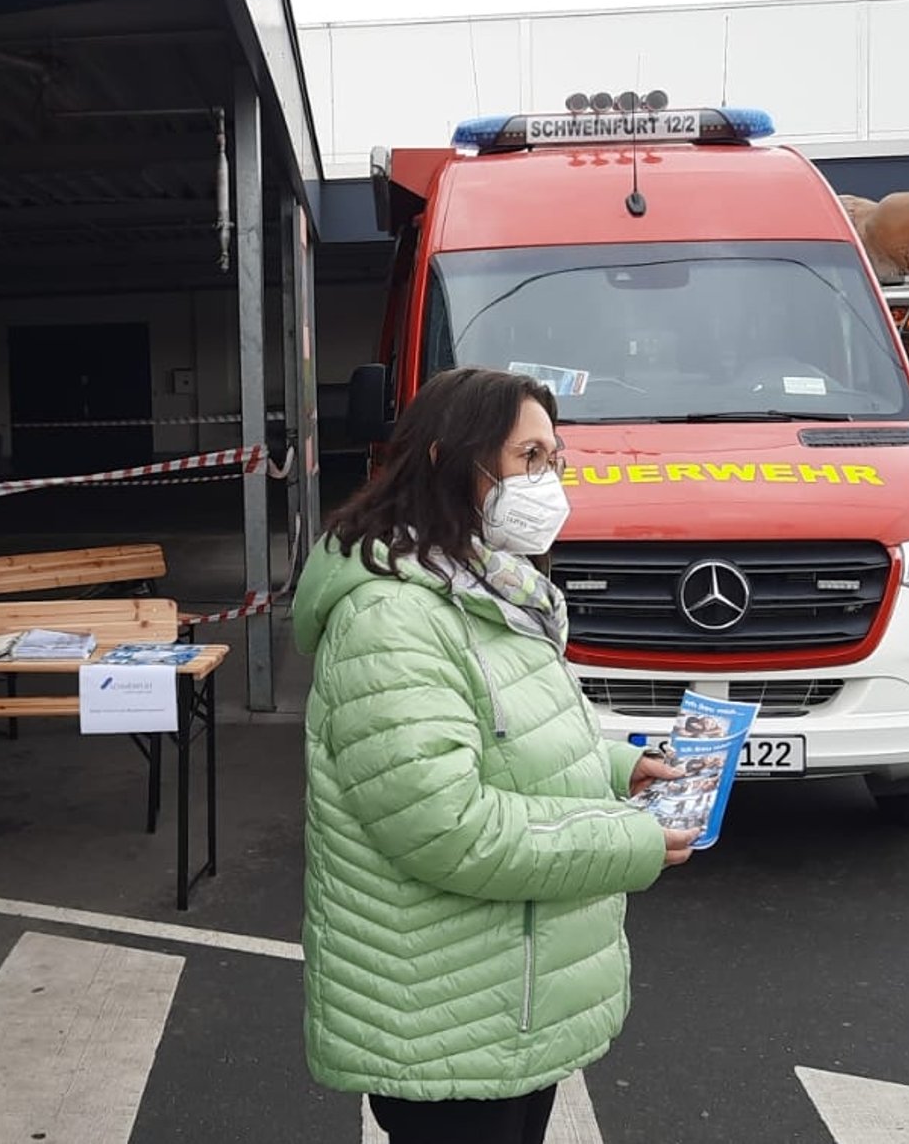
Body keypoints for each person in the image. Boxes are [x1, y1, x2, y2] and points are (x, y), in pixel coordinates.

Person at [291, 366, 696, 1144]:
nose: (550, 481)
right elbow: (448, 824)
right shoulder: (393, 617)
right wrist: (629, 839)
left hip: (501, 1007)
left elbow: (502, 737)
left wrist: (619, 769)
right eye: (528, 458)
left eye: (555, 459)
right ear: (452, 460)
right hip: (442, 1019)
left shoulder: (478, 583)